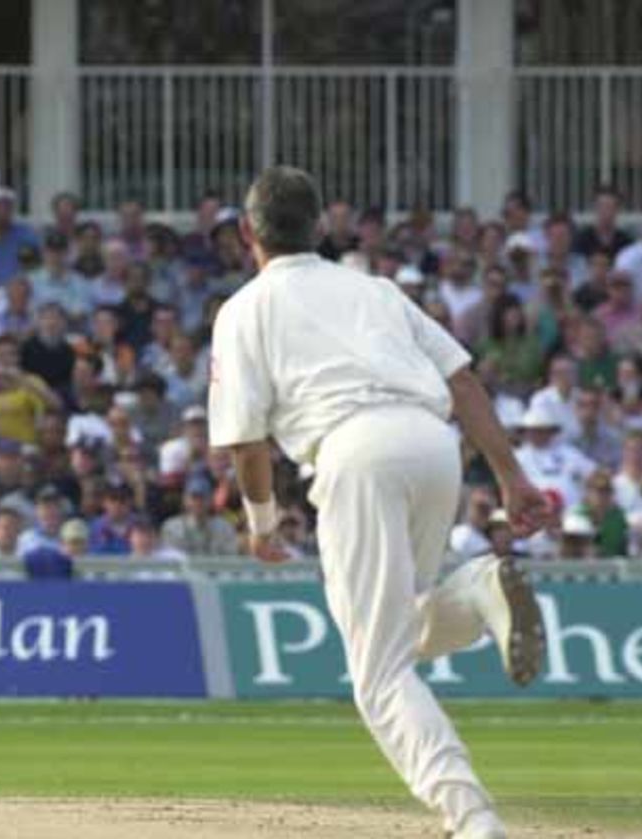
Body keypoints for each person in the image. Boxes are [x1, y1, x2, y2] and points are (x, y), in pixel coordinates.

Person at [207, 166, 550, 839]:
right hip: (433, 444)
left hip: (353, 452)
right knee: (407, 623)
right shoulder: (376, 289)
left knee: (379, 672)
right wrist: (511, 475)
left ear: (247, 232)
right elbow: (461, 379)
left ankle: (473, 816)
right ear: (320, 227)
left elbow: (246, 444)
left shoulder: (244, 308)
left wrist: (260, 524)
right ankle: (480, 586)